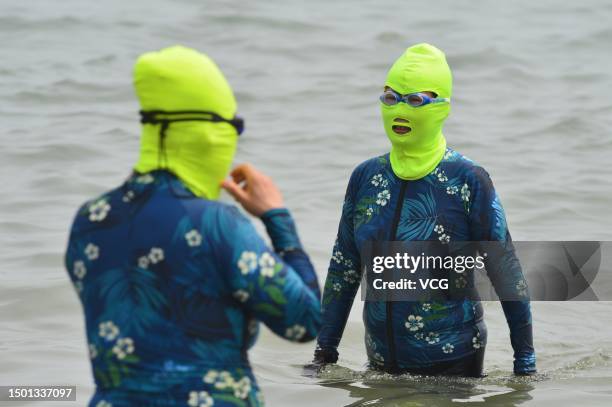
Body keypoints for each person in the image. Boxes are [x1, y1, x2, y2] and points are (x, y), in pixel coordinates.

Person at [64, 45, 321, 406]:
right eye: (235, 126)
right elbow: (305, 321)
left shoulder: (90, 219)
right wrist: (276, 217)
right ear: (207, 133)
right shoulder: (218, 225)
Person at [313, 43, 536, 377]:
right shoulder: (366, 178)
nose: (400, 109)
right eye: (391, 97)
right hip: (380, 367)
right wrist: (324, 353)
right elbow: (344, 268)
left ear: (442, 107)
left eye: (415, 99)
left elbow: (506, 271)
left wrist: (525, 364)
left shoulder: (467, 180)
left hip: (453, 367)